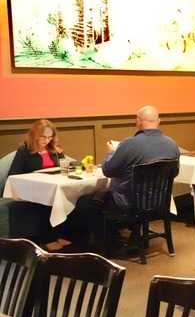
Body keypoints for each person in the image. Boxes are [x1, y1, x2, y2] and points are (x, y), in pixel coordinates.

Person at [74, 106, 180, 240]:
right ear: (159, 121)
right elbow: (174, 173)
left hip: (128, 204)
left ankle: (111, 240)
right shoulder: (171, 144)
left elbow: (108, 171)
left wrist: (111, 152)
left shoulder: (129, 144)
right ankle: (132, 236)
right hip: (159, 203)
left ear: (138, 121)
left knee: (84, 203)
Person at [8, 119, 72, 251]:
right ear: (35, 135)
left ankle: (61, 235)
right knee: (47, 202)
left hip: (51, 186)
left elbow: (66, 165)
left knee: (69, 198)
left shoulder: (53, 149)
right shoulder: (24, 151)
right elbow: (13, 174)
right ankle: (47, 239)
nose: (46, 141)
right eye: (43, 137)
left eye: (49, 137)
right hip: (32, 190)